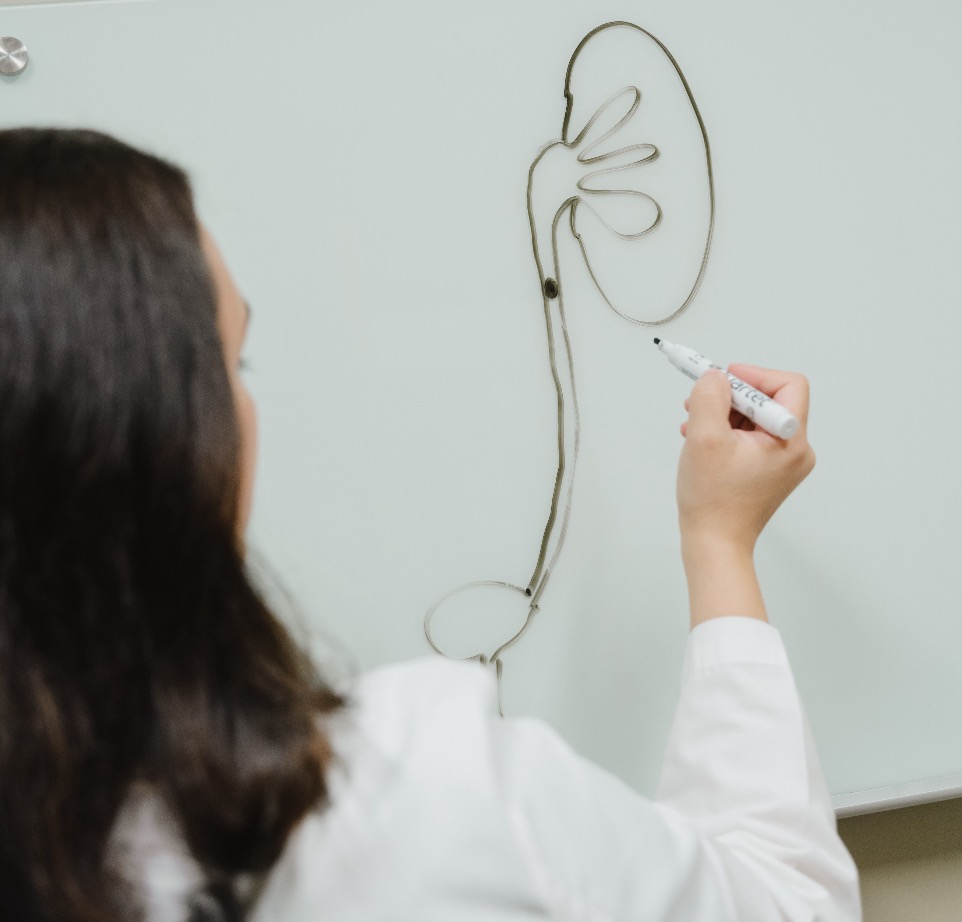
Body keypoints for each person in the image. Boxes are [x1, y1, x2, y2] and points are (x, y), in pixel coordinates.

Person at [0, 128, 860, 922]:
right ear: (150, 441)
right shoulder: (413, 805)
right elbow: (786, 903)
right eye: (234, 363)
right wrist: (719, 542)